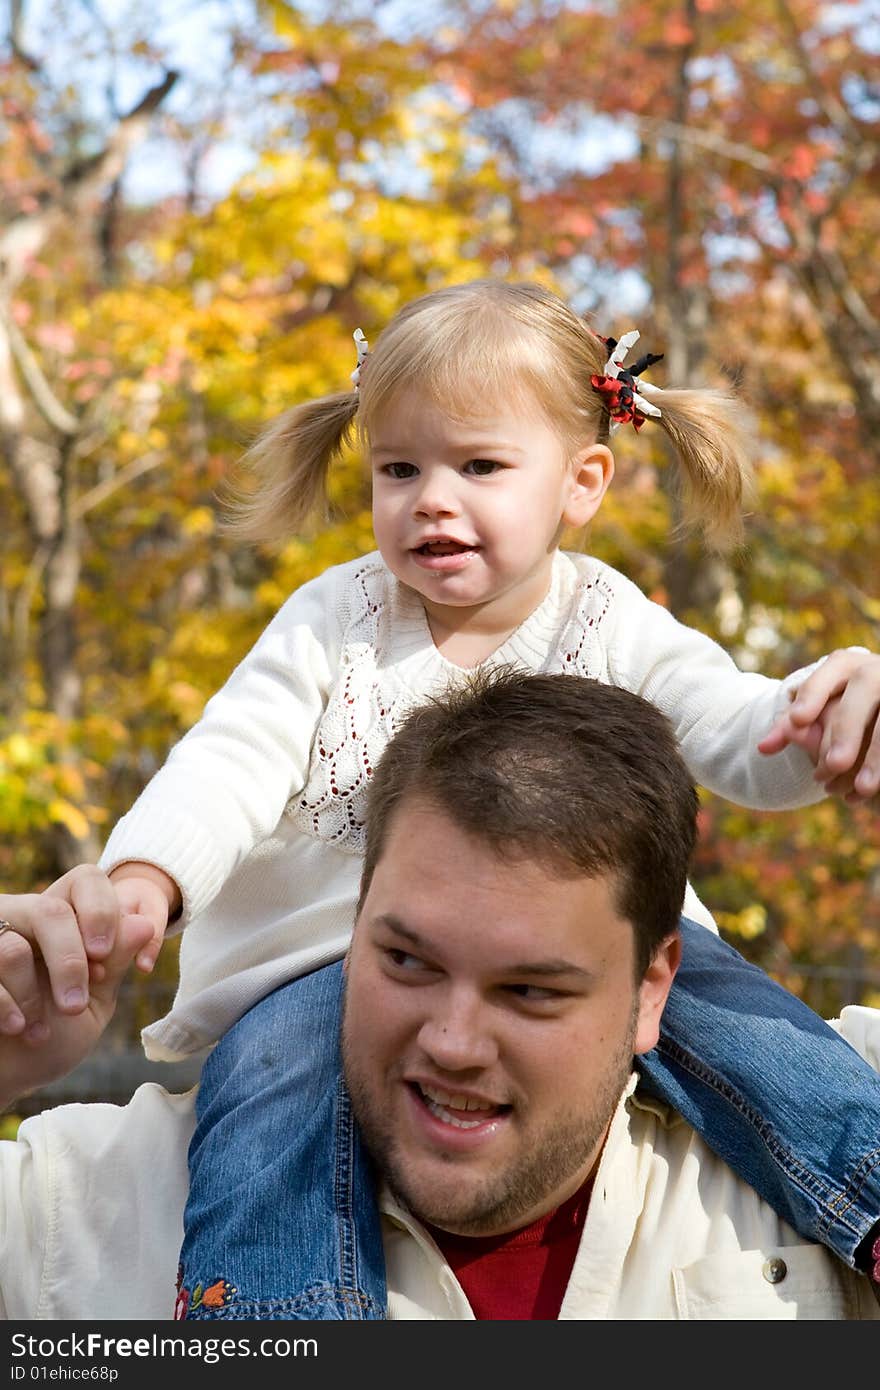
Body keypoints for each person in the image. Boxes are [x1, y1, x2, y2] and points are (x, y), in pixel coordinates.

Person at [3, 280, 880, 1320]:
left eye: (479, 466)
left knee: (756, 1032)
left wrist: (828, 716)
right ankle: (272, 1322)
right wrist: (144, 879)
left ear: (581, 482)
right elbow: (228, 761)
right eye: (398, 467)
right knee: (272, 1099)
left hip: (604, 937)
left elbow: (738, 729)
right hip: (324, 959)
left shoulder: (610, 618)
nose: (430, 498)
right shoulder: (336, 620)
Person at [1, 673, 878, 1320]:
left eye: (530, 990)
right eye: (407, 962)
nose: (454, 1042)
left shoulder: (816, 1127)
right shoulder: (98, 1205)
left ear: (655, 986)